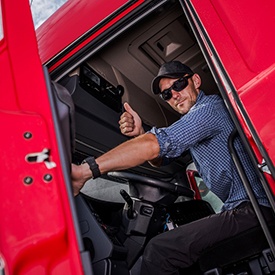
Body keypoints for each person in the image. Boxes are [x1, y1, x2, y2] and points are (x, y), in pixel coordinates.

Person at [71, 61, 271, 274]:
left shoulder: (209, 109)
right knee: (190, 259)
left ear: (195, 80)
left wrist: (86, 170)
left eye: (178, 85)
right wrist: (141, 134)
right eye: (166, 94)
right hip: (243, 209)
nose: (174, 95)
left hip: (256, 209)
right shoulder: (195, 125)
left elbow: (155, 146)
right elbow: (160, 158)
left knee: (159, 251)